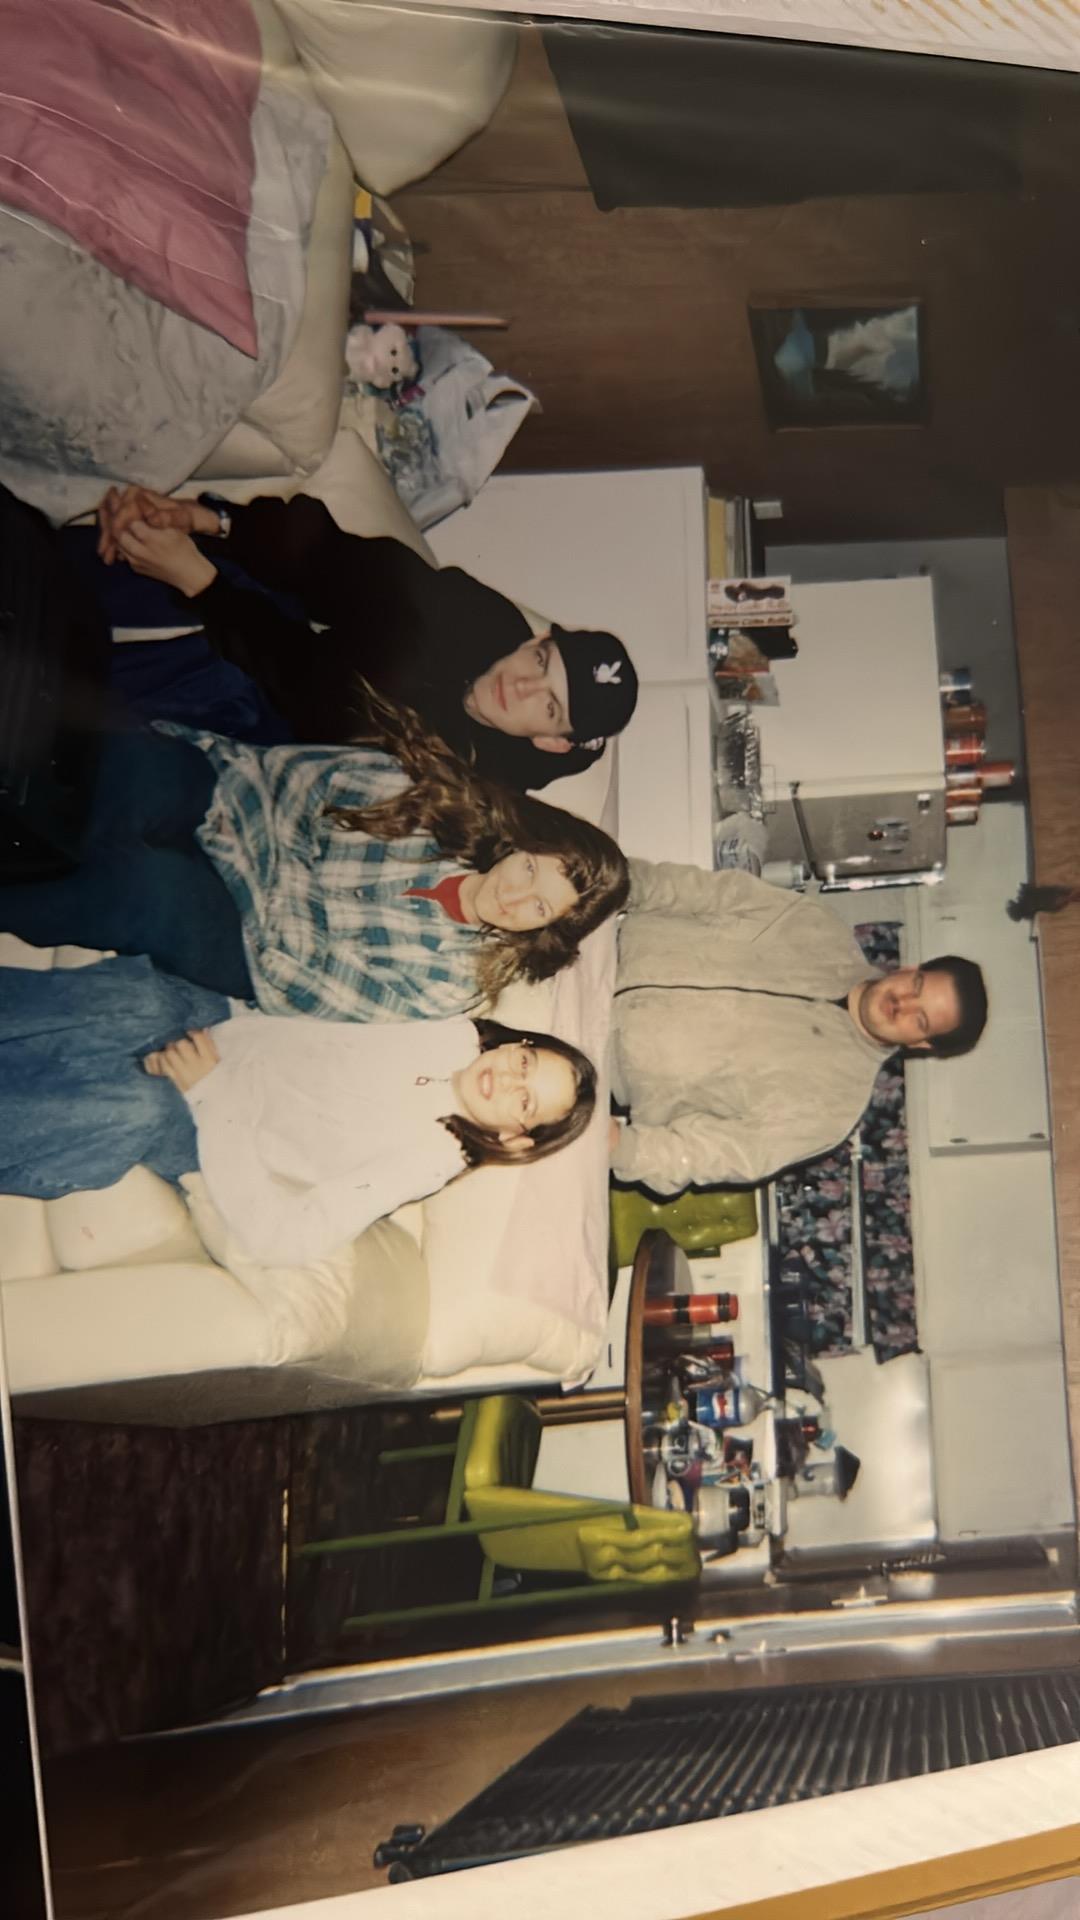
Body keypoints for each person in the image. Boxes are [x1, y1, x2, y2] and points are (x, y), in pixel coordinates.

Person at [0, 700, 629, 1014]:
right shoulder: (442, 803)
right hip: (244, 805)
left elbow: (311, 982)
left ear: (548, 930)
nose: (515, 897)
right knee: (145, 772)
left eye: (540, 907)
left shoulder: (458, 983)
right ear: (520, 843)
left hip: (248, 944)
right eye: (528, 869)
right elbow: (293, 779)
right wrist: (275, 860)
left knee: (148, 890)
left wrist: (271, 870)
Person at [0, 954, 597, 1266]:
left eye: (526, 1099)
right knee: (144, 1000)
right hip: (226, 1026)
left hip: (209, 1122)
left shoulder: (430, 1158)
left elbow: (283, 1238)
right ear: (518, 1042)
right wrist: (217, 1041)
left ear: (518, 1136)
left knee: (137, 1106)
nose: (508, 1079)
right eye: (526, 1061)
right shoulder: (449, 1028)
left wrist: (208, 1091)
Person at [90, 485, 640, 791]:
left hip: (268, 723)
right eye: (540, 661)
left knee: (201, 670)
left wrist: (197, 581)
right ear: (533, 640)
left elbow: (311, 697)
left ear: (552, 742)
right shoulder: (482, 619)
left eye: (548, 707)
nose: (520, 686)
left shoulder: (472, 782)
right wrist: (206, 520)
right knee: (124, 557)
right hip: (260, 629)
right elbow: (340, 563)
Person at [609, 860, 988, 1194]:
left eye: (919, 1019)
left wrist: (624, 1148)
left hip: (594, 1063)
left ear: (921, 1044)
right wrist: (611, 880)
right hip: (596, 941)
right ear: (910, 969)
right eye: (917, 987)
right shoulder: (815, 925)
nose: (901, 1003)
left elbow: (717, 1154)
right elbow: (700, 893)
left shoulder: (831, 1111)